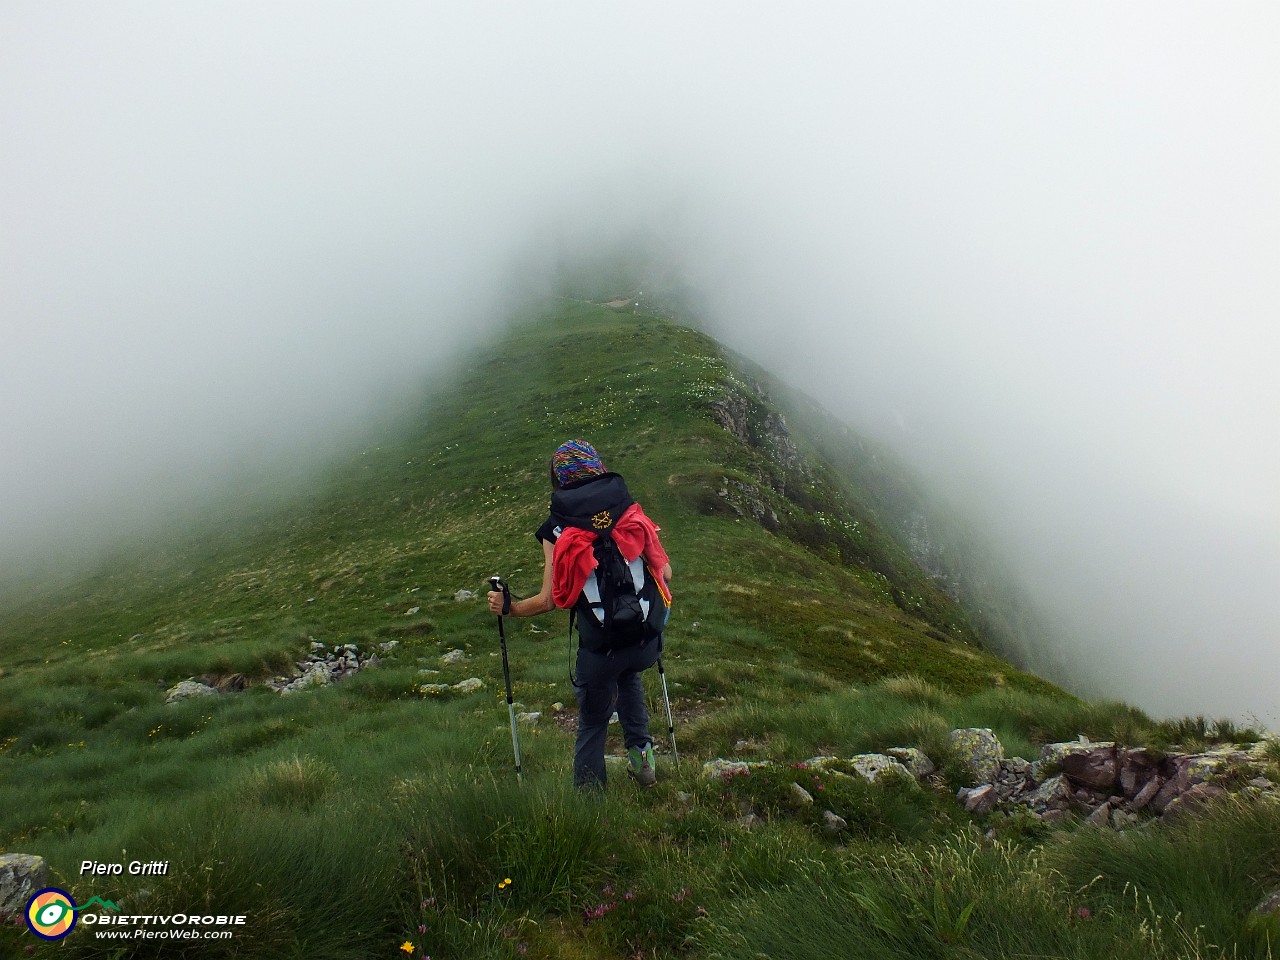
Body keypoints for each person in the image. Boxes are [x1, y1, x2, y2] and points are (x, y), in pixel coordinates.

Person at [487, 439, 672, 789]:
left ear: (559, 479)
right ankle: (644, 765)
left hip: (601, 647)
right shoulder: (629, 508)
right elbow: (667, 573)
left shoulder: (557, 527)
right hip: (646, 638)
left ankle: (590, 804)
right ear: (596, 466)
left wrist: (509, 608)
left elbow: (548, 601)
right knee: (629, 674)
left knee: (592, 720)